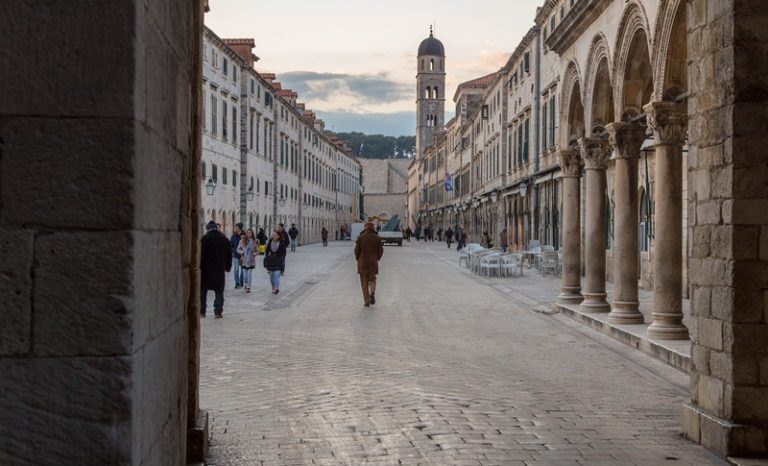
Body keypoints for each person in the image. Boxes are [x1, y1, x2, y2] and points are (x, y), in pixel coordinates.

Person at [200, 220, 232, 318]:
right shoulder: (224, 238)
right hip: (219, 269)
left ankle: (202, 311)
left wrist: (199, 266)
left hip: (206, 269)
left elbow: (201, 255)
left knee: (203, 291)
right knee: (219, 291)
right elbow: (229, 254)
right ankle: (218, 311)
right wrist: (228, 266)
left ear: (208, 228)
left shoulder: (204, 239)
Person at [355, 222, 383, 307]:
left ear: (365, 228)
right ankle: (372, 292)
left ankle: (366, 301)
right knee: (372, 279)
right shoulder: (377, 238)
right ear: (373, 228)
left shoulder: (360, 237)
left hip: (363, 262)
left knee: (364, 282)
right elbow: (381, 250)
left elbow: (356, 250)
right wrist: (377, 258)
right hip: (373, 262)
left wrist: (358, 259)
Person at [263, 230, 287, 294]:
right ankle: (273, 287)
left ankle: (276, 288)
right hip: (271, 260)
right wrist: (267, 257)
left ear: (279, 236)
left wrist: (282, 259)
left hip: (278, 260)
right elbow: (267, 250)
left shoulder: (282, 243)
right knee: (271, 276)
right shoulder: (270, 242)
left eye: (275, 235)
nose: (274, 236)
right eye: (273, 235)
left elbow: (284, 253)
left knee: (276, 275)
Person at [230, 223, 244, 289]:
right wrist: (234, 250)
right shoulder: (233, 236)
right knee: (236, 269)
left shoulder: (244, 236)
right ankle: (237, 283)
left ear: (239, 228)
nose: (235, 228)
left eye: (236, 227)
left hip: (243, 255)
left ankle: (241, 281)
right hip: (236, 255)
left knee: (243, 270)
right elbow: (231, 245)